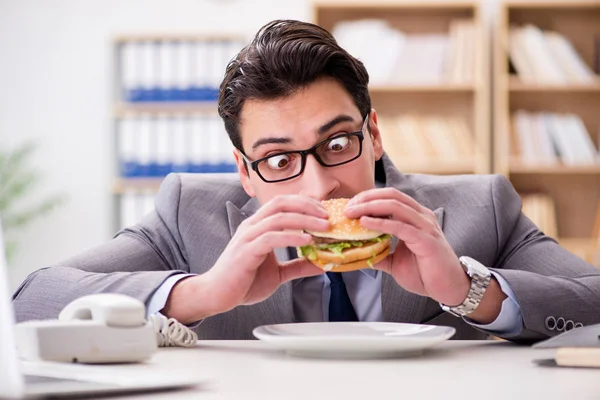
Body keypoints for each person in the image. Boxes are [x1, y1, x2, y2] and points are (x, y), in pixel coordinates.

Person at [12, 20, 600, 343]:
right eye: (278, 160)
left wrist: (469, 290)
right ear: (245, 171)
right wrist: (201, 294)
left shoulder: (481, 207)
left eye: (337, 143)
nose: (321, 186)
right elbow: (29, 300)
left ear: (373, 133)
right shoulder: (187, 212)